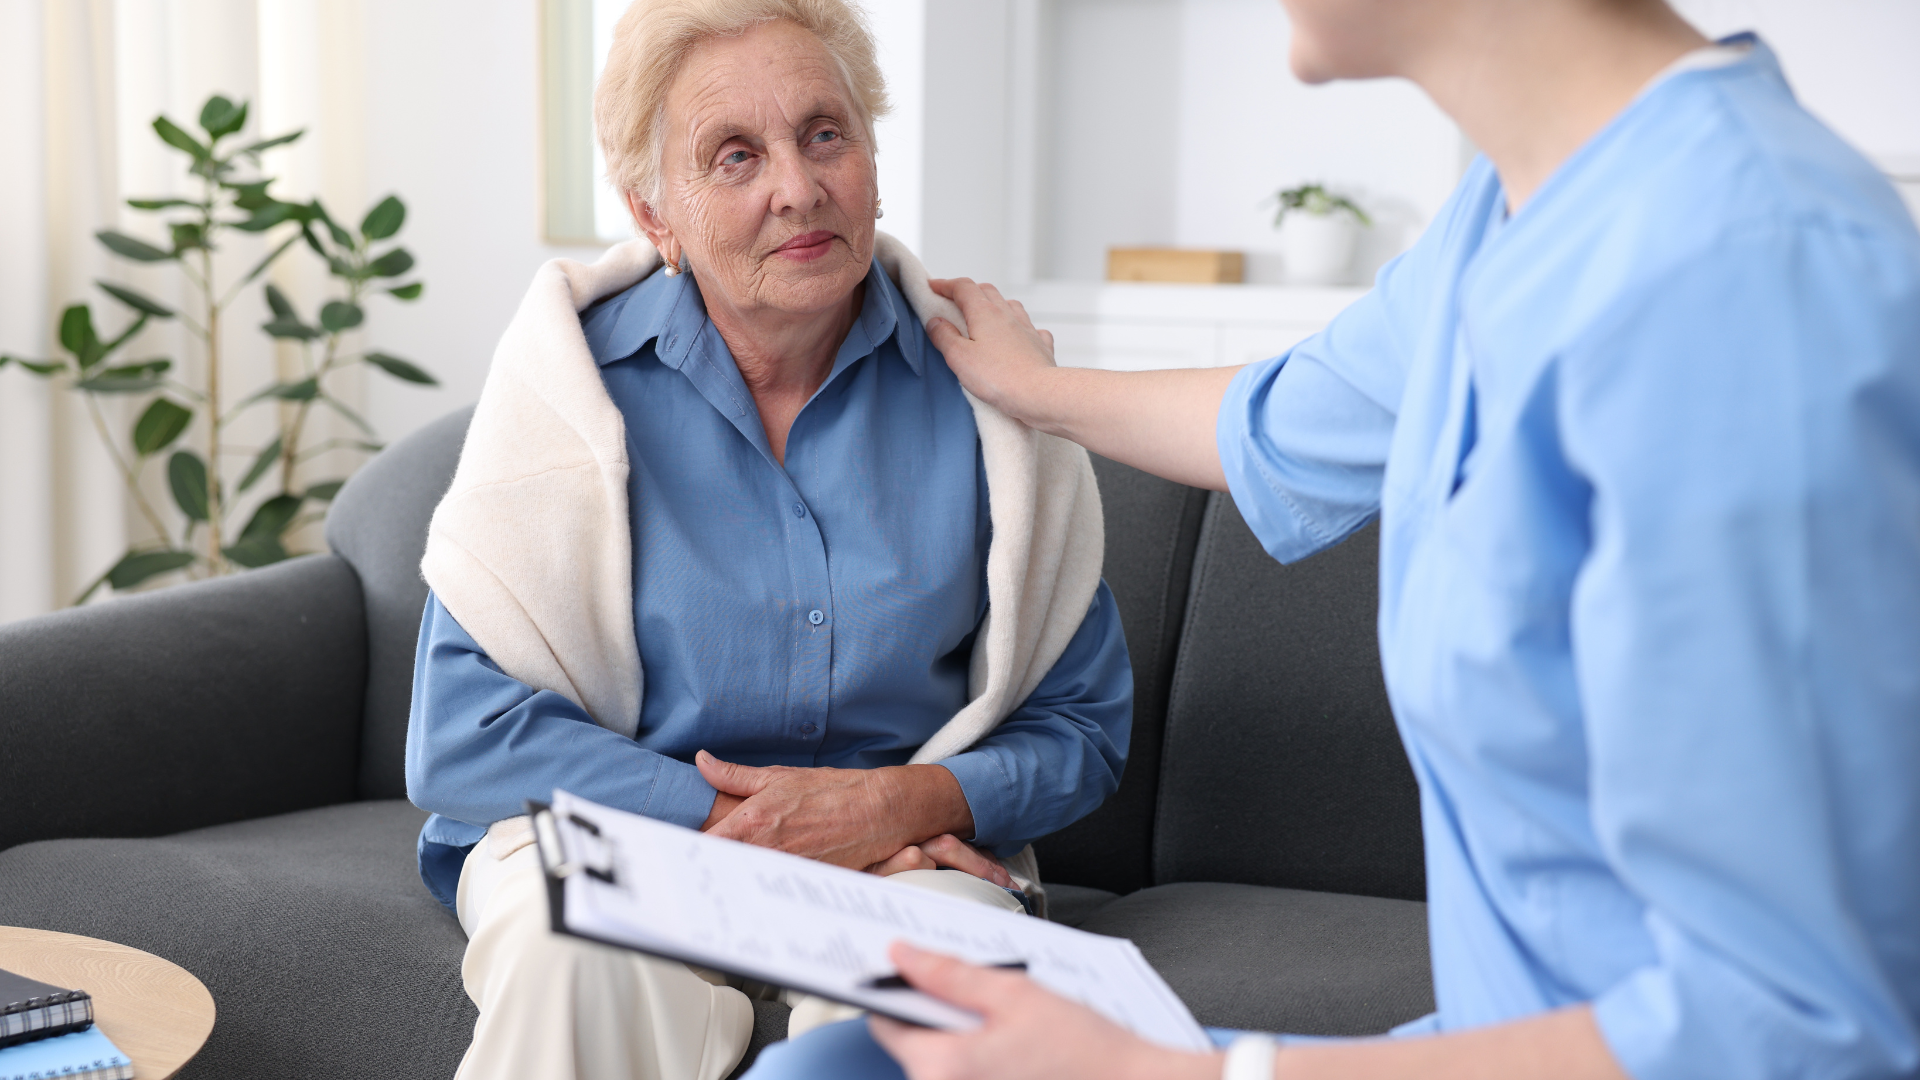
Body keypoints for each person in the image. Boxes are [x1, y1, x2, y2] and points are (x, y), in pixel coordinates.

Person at [742, 0, 1920, 1078]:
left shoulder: (1752, 278)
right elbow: (1281, 417)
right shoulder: (1508, 223)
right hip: (1484, 1037)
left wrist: (1181, 1076)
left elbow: (1801, 1028)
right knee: (842, 1066)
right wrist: (1036, 391)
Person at [404, 2, 1133, 1079]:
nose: (797, 186)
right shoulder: (566, 394)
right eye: (734, 156)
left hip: (902, 858)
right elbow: (463, 731)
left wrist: (896, 804)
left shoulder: (987, 395)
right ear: (655, 212)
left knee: (928, 1010)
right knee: (573, 962)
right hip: (610, 833)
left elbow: (1084, 725)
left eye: (824, 133)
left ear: (873, 155)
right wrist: (750, 823)